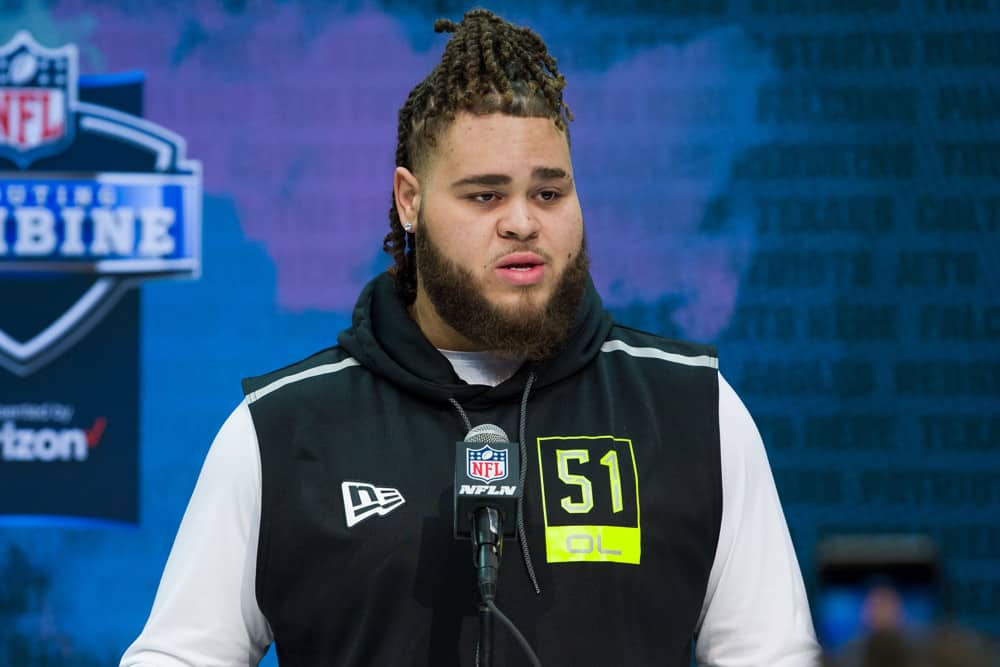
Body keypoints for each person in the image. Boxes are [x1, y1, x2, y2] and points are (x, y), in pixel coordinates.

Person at [121, 9, 820, 666]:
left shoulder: (694, 411)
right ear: (410, 200)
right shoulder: (280, 431)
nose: (523, 222)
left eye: (549, 193)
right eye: (485, 195)